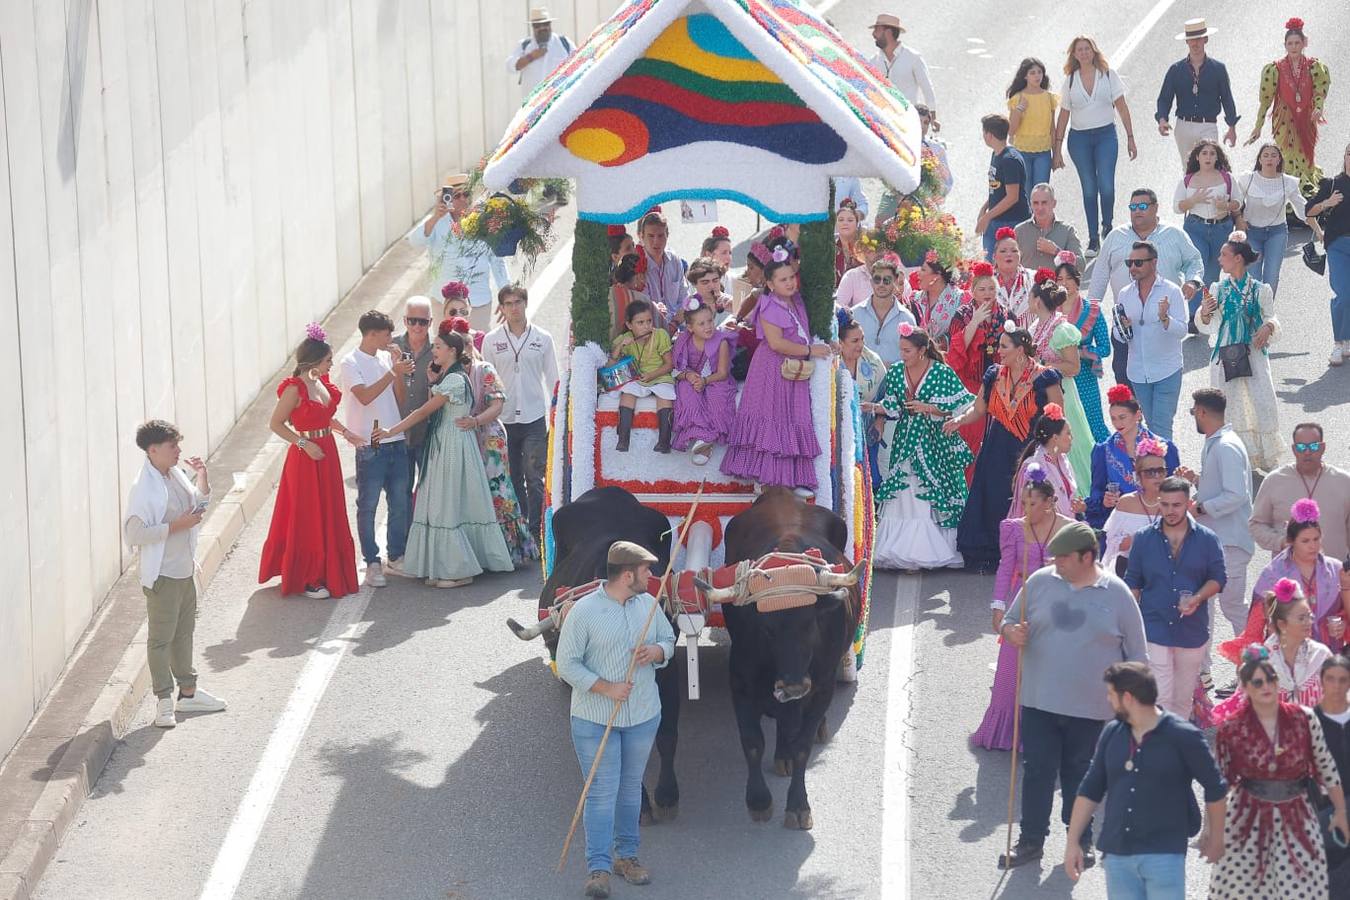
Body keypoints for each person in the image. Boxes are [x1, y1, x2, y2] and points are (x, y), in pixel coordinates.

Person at [995, 522, 1148, 868]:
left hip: (1091, 708)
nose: (1057, 563)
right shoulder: (1039, 582)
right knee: (1037, 771)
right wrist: (1011, 632)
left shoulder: (1118, 594)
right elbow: (1007, 621)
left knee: (1080, 774)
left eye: (1064, 557)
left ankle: (1081, 840)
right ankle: (1031, 841)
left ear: (1088, 556)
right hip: (1038, 700)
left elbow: (1138, 655)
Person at [555, 540, 676, 900]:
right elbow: (567, 664)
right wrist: (606, 688)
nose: (651, 576)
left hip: (642, 716)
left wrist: (657, 651)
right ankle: (599, 868)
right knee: (601, 793)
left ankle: (627, 857)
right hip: (594, 719)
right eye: (645, 571)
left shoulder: (649, 606)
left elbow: (669, 640)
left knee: (629, 790)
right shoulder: (584, 612)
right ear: (627, 575)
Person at [1065, 662, 1228, 893]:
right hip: (1117, 853)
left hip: (1164, 854)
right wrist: (1072, 842)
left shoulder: (1183, 736)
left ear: (1128, 698)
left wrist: (1216, 838)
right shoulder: (1112, 733)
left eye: (1112, 695)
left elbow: (1215, 787)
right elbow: (1090, 788)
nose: (1109, 701)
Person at [373, 326, 514, 588]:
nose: (434, 351)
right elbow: (434, 406)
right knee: (446, 503)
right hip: (446, 442)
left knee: (447, 503)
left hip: (452, 444)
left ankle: (459, 571)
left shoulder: (455, 380)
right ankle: (445, 566)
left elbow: (423, 411)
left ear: (452, 351)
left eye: (438, 347)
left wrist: (391, 430)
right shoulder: (450, 378)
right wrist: (431, 382)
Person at [1208, 643, 1347, 899]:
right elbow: (1220, 784)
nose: (1267, 686)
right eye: (1258, 682)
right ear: (1246, 688)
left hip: (1296, 815)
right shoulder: (1232, 728)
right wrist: (1213, 833)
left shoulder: (1304, 719)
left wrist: (1339, 811)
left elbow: (1326, 768)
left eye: (1271, 679)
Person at [123, 420, 228, 729]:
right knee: (160, 640)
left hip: (184, 571)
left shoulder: (176, 475)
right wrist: (175, 527)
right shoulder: (143, 488)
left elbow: (200, 502)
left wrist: (203, 476)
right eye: (173, 446)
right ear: (153, 450)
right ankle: (164, 702)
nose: (179, 450)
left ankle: (189, 693)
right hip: (163, 577)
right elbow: (134, 534)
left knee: (183, 635)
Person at [946, 326, 1064, 573]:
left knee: (1027, 497)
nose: (998, 351)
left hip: (1030, 449)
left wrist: (1055, 448)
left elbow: (1057, 415)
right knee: (992, 496)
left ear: (1020, 350)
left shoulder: (1045, 378)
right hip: (996, 447)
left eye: (1004, 346)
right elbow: (978, 409)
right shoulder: (994, 375)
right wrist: (959, 421)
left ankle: (1027, 553)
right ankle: (990, 553)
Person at [972, 476, 1076, 751]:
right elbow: (1006, 569)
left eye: (1032, 503)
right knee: (1009, 668)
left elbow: (1087, 570)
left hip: (1057, 605)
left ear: (1050, 503)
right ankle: (1005, 733)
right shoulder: (1013, 529)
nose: (1025, 509)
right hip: (1022, 600)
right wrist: (998, 606)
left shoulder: (1072, 531)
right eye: (1023, 502)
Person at [260, 325, 360, 600]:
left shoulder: (322, 383)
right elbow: (276, 424)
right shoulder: (295, 388)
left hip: (326, 451)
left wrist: (345, 432)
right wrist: (304, 444)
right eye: (328, 360)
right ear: (315, 361)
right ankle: (309, 577)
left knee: (329, 509)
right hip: (305, 456)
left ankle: (327, 570)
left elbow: (324, 417)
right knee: (308, 514)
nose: (331, 364)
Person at [721, 255, 829, 497]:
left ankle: (790, 479)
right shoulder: (769, 305)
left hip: (792, 367)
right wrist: (811, 350)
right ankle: (768, 482)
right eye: (783, 279)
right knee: (773, 417)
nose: (790, 283)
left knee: (793, 416)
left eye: (791, 277)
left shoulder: (796, 300)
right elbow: (777, 343)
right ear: (770, 284)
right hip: (773, 368)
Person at [873, 324, 973, 570]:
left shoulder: (941, 373)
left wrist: (929, 408)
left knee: (932, 490)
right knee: (904, 489)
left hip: (935, 443)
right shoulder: (896, 372)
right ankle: (900, 549)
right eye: (901, 350)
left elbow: (962, 406)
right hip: (905, 442)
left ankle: (933, 549)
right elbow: (893, 405)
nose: (902, 356)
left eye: (907, 351)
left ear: (921, 350)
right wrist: (874, 408)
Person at [1125, 476, 1225, 716]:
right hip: (1154, 627)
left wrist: (1198, 598)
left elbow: (1218, 578)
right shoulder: (1143, 538)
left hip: (1192, 631)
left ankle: (1174, 745)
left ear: (1188, 503)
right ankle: (1160, 748)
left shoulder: (1207, 539)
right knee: (1161, 697)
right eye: (1165, 504)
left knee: (1182, 699)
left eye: (1177, 505)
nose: (1170, 511)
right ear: (1159, 503)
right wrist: (1129, 621)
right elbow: (1133, 582)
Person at [444, 317, 539, 567]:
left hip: (488, 439)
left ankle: (510, 550)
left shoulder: (484, 369)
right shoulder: (447, 372)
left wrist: (475, 421)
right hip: (462, 438)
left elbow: (497, 405)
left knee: (498, 490)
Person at [1088, 189, 1203, 385]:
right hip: (1126, 325)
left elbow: (1194, 260)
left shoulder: (1174, 235)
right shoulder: (1115, 237)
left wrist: (1192, 281)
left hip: (1163, 325)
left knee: (1161, 381)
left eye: (1142, 206)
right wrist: (1089, 318)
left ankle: (1155, 413)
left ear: (1156, 207)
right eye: (1133, 207)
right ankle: (1134, 414)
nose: (1137, 211)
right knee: (1124, 381)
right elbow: (1099, 276)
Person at [340, 310, 415, 588]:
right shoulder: (350, 362)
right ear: (371, 334)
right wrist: (392, 372)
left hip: (394, 438)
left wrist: (398, 371)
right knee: (368, 506)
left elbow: (400, 397)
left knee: (399, 501)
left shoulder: (386, 358)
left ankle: (395, 555)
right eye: (386, 334)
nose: (390, 338)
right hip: (370, 443)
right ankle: (372, 561)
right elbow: (364, 396)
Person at [1195, 233, 1283, 470]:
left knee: (1261, 400)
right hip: (1226, 353)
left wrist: (1269, 326)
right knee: (1228, 403)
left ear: (1238, 259)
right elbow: (1210, 323)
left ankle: (1262, 456)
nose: (1219, 258)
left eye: (1224, 255)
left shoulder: (1259, 289)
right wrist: (1204, 312)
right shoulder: (1217, 289)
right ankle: (1230, 457)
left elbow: (1271, 315)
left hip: (1253, 352)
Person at [1175, 388, 1256, 642]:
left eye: (1193, 412)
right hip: (1220, 540)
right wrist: (1196, 480)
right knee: (1212, 605)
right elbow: (1222, 488)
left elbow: (1236, 494)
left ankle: (1255, 664)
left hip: (1230, 542)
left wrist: (1198, 508)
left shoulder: (1225, 446)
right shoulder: (1219, 442)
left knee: (1232, 606)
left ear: (1201, 411)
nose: (1194, 417)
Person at [1227, 501, 1350, 667]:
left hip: (1328, 656)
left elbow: (1345, 611)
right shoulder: (1273, 573)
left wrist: (1342, 624)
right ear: (1291, 541)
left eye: (1316, 539)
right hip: (1286, 658)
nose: (1313, 546)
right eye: (1305, 541)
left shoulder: (1336, 569)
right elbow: (1256, 624)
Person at [481, 284, 558, 540]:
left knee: (534, 477)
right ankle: (519, 532)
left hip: (534, 418)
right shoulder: (492, 341)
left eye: (518, 302)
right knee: (512, 480)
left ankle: (536, 532)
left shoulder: (542, 338)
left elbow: (553, 378)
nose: (514, 308)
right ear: (502, 309)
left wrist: (557, 410)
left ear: (525, 303)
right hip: (503, 420)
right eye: (509, 304)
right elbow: (486, 382)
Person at [1052, 36, 1137, 256]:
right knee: (1089, 188)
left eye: (1087, 49)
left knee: (1106, 184)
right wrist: (1057, 147)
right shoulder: (1071, 80)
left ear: (1094, 51)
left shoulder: (1108, 75)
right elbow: (1063, 114)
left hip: (1105, 135)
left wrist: (1130, 136)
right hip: (1079, 139)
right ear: (1074, 54)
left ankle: (1106, 227)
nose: (1083, 53)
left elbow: (1121, 106)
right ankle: (1092, 239)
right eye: (1079, 50)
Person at [1214, 580, 1334, 722]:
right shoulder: (1260, 661)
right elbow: (1244, 706)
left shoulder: (1321, 655)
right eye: (1301, 618)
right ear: (1281, 624)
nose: (1309, 622)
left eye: (1309, 616)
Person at [410, 175, 509, 331]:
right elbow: (415, 241)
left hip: (478, 300)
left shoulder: (484, 221)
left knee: (477, 346)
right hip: (444, 303)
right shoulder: (436, 222)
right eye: (456, 195)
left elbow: (497, 260)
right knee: (444, 349)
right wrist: (436, 216)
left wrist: (506, 295)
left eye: (466, 194)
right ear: (446, 198)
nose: (463, 199)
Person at [1245, 18, 1331, 196]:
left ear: (1303, 44)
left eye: (1297, 43)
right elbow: (1266, 101)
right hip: (1284, 119)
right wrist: (1258, 126)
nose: (1293, 47)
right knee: (1287, 155)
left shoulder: (1315, 67)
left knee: (1306, 155)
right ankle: (1289, 195)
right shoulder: (1274, 69)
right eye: (1290, 43)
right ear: (1285, 45)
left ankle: (1304, 197)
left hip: (1307, 118)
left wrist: (1319, 107)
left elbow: (1320, 90)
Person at [1115, 240, 1187, 442]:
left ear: (1153, 263)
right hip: (1138, 373)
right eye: (1129, 263)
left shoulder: (1172, 291)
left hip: (1167, 371)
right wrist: (1124, 329)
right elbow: (1118, 334)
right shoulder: (1124, 294)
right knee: (1149, 426)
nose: (1132, 268)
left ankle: (1168, 471)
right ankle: (1157, 471)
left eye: (1138, 263)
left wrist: (1165, 319)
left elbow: (1182, 330)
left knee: (1162, 428)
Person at [1025, 277, 1092, 491]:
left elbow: (1074, 367)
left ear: (1036, 301)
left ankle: (1081, 492)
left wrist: (1044, 365)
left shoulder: (1061, 328)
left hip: (1064, 393)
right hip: (1041, 394)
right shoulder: (1036, 326)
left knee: (1072, 442)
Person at [1250, 422, 1350, 563]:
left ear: (1323, 447)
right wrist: (1281, 542)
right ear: (1293, 449)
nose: (1307, 452)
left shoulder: (1344, 481)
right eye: (1301, 447)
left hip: (1334, 576)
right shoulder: (1274, 480)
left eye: (1313, 446)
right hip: (1289, 574)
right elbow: (1256, 524)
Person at [1086, 384, 1180, 530]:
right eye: (1113, 419)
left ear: (1137, 415)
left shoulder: (1164, 447)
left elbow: (1175, 487)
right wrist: (1105, 500)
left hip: (1159, 517)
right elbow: (1096, 490)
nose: (1118, 423)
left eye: (1122, 417)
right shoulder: (1103, 450)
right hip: (1124, 518)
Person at [1235, 143, 1318, 297]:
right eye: (1265, 155)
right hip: (1252, 232)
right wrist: (1239, 220)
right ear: (1259, 159)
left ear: (1279, 159)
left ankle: (1266, 314)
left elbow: (1302, 210)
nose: (1269, 159)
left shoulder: (1288, 182)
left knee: (1271, 277)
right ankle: (1252, 315)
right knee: (1252, 277)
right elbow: (1236, 203)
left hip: (1277, 232)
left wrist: (1319, 230)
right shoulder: (1249, 179)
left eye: (1274, 155)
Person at [1155, 18, 1240, 162]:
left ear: (1205, 39)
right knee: (1188, 169)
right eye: (1191, 39)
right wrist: (1162, 119)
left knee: (1209, 165)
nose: (1195, 43)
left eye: (1198, 38)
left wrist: (1232, 126)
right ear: (1186, 42)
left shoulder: (1218, 69)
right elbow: (1164, 97)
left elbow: (1226, 97)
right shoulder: (1176, 70)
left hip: (1208, 125)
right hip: (1184, 126)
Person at [946, 262, 1002, 465]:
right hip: (970, 388)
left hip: (999, 388)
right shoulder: (962, 315)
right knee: (970, 442)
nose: (987, 293)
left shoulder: (1005, 315)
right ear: (972, 291)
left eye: (991, 288)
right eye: (982, 289)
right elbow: (955, 354)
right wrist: (975, 321)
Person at [1174, 139, 1242, 299]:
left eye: (1212, 153)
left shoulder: (1227, 178)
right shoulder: (1187, 180)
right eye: (1204, 153)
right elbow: (1177, 207)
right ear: (1197, 157)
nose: (1208, 157)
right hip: (1195, 227)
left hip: (1221, 228)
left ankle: (1207, 314)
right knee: (1197, 271)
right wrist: (1192, 201)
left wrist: (1225, 206)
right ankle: (1192, 317)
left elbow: (1239, 202)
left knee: (1212, 275)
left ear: (1217, 157)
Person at [672, 297, 735, 465]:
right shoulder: (683, 341)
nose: (708, 326)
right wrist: (688, 376)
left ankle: (707, 441)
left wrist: (705, 380)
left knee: (716, 396)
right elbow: (675, 370)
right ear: (690, 328)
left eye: (710, 321)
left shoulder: (721, 342)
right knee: (686, 390)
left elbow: (722, 373)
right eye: (701, 324)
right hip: (691, 378)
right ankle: (701, 436)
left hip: (714, 378)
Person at [610, 299, 675, 454]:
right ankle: (623, 439)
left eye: (649, 321)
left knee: (664, 395)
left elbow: (669, 365)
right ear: (629, 325)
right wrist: (621, 346)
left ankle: (664, 441)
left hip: (659, 375)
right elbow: (610, 366)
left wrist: (652, 375)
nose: (646, 326)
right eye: (640, 323)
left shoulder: (660, 335)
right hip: (637, 378)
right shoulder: (623, 339)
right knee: (628, 392)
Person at [1056, 253, 1109, 442]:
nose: (1064, 283)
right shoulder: (1050, 310)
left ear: (1078, 281)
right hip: (1058, 379)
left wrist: (1081, 353)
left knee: (1092, 425)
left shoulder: (1092, 309)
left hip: (1085, 378)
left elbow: (1105, 348)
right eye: (1060, 279)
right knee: (1062, 428)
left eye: (1069, 278)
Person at [1308, 144, 1350, 366]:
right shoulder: (1333, 184)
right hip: (1338, 246)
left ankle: (1348, 339)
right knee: (1344, 294)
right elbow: (1309, 211)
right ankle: (1338, 342)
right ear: (1344, 157)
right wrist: (1327, 203)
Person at [1102, 438, 1169, 576]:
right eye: (1150, 472)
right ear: (1138, 476)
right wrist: (1135, 539)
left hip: (1164, 572)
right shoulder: (1126, 503)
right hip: (1129, 570)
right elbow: (1111, 542)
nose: (1157, 476)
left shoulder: (1172, 502)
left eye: (1161, 471)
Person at [838, 309, 888, 486]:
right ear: (840, 343)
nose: (860, 344)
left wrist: (879, 421)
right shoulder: (830, 364)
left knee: (869, 480)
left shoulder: (873, 362)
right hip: (838, 433)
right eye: (854, 341)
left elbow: (886, 395)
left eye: (862, 339)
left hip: (867, 432)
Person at [393, 297, 437, 491]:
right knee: (400, 495)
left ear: (431, 322)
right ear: (404, 321)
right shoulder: (391, 348)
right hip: (397, 433)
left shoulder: (439, 349)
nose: (417, 326)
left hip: (428, 434)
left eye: (423, 321)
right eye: (412, 321)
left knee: (430, 492)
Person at [1008, 409, 1083, 519]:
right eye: (1068, 433)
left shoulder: (1062, 460)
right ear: (1055, 438)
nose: (1072, 437)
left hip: (1066, 526)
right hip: (1043, 531)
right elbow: (1026, 509)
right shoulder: (1033, 467)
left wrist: (1079, 507)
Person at [1314, 656, 1350, 881]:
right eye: (1330, 679)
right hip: (1324, 812)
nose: (1336, 686)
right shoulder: (1307, 721)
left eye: (1343, 680)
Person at [976, 115, 1030, 260]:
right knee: (991, 266)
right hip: (996, 218)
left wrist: (987, 217)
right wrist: (984, 208)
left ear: (989, 135)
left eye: (983, 132)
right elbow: (996, 188)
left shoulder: (1009, 160)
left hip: (1011, 221)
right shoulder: (996, 154)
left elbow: (1012, 197)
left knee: (1005, 265)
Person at [850, 257, 915, 366]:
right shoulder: (854, 314)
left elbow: (912, 358)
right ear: (871, 282)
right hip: (859, 380)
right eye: (877, 279)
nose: (881, 284)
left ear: (895, 281)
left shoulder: (907, 318)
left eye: (887, 280)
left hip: (894, 380)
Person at [1006, 59, 1058, 193]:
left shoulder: (1049, 98)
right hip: (1022, 151)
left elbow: (1052, 128)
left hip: (1043, 152)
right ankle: (1027, 215)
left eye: (1039, 72)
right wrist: (1019, 110)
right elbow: (1011, 131)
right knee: (1026, 192)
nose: (1037, 76)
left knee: (1041, 191)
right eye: (1032, 73)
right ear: (1025, 76)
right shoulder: (1017, 98)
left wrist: (1056, 153)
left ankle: (1039, 214)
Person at [867, 14, 936, 112]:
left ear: (888, 32)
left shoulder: (913, 57)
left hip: (908, 119)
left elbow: (927, 87)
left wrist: (932, 114)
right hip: (884, 121)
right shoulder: (873, 61)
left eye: (877, 30)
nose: (873, 34)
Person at [904, 252, 968, 348]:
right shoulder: (915, 299)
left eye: (923, 270)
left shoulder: (960, 299)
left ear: (936, 276)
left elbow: (963, 336)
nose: (918, 273)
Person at [1014, 184, 1083, 270]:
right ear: (1030, 205)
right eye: (1036, 203)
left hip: (1056, 283)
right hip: (1028, 283)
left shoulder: (1067, 231)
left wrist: (1057, 252)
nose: (1040, 207)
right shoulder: (1019, 231)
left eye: (1044, 203)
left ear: (1054, 203)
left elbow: (1081, 265)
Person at [507, 7, 574, 95]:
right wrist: (531, 57)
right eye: (537, 25)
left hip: (559, 101)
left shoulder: (564, 43)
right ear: (533, 27)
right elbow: (510, 66)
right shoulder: (524, 45)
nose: (542, 28)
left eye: (545, 24)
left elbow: (579, 63)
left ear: (550, 24)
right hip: (532, 104)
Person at [636, 209, 686, 315]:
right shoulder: (636, 264)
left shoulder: (674, 260)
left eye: (660, 235)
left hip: (677, 323)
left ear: (667, 235)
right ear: (641, 237)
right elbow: (641, 306)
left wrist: (675, 322)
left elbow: (684, 298)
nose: (656, 241)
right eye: (651, 236)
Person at [990, 229, 1035, 322]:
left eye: (1014, 251)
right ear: (994, 256)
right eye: (1003, 251)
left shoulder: (1033, 278)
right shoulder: (986, 280)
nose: (1009, 254)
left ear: (1020, 255)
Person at [607, 252, 652, 342]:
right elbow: (660, 332)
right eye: (645, 275)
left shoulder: (607, 292)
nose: (646, 281)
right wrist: (676, 321)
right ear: (639, 276)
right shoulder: (640, 300)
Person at [684, 256, 730, 328]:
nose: (711, 286)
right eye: (705, 282)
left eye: (715, 280)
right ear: (694, 284)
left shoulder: (729, 301)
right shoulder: (688, 305)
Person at [441, 281, 483, 352]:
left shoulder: (480, 338)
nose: (458, 315)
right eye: (453, 312)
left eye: (463, 312)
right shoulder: (440, 341)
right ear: (444, 314)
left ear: (469, 312)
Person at [834, 199, 865, 285]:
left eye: (850, 220)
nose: (845, 223)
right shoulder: (830, 245)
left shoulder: (865, 245)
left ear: (857, 223)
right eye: (841, 220)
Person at [700, 226, 735, 297]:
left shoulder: (734, 281)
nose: (729, 258)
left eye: (730, 253)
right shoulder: (696, 282)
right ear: (709, 255)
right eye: (724, 253)